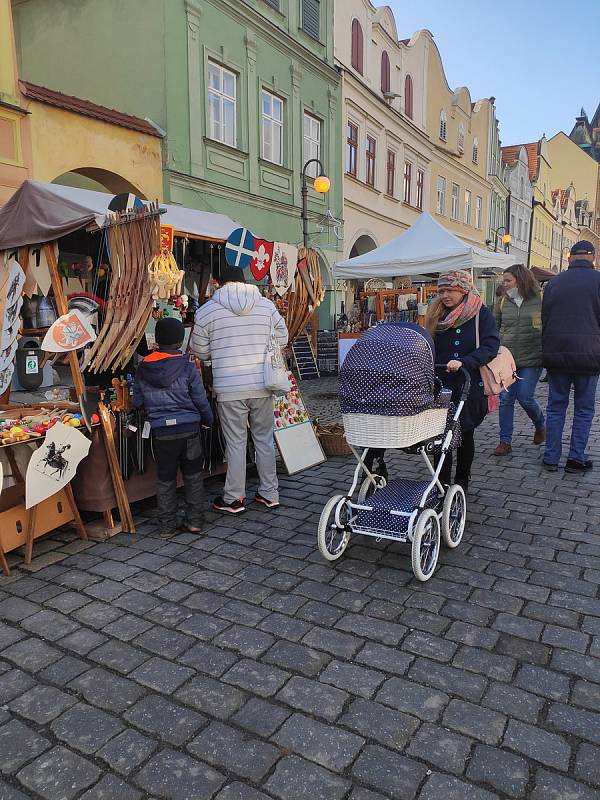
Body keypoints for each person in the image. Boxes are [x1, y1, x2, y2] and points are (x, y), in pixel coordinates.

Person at [191, 266, 288, 513]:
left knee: (236, 442)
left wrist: (218, 352)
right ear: (244, 281)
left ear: (217, 282)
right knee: (264, 439)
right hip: (262, 384)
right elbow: (283, 337)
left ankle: (234, 498)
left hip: (229, 385)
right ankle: (269, 493)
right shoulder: (266, 306)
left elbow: (199, 350)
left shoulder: (207, 311)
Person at [133, 317, 213, 537]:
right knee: (193, 476)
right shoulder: (187, 367)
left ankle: (167, 526)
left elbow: (137, 401)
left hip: (161, 434)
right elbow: (200, 399)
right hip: (189, 430)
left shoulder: (143, 368)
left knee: (165, 479)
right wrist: (208, 419)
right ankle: (195, 521)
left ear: (157, 340)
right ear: (180, 340)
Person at [425, 270, 500, 493]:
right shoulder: (435, 312)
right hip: (441, 381)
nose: (445, 295)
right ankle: (442, 481)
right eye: (441, 291)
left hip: (468, 382)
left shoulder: (480, 314)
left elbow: (490, 346)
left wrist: (466, 361)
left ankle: (462, 479)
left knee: (465, 433)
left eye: (450, 290)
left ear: (463, 289)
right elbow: (428, 342)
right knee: (440, 434)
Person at [541, 240, 600, 473]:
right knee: (584, 409)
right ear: (593, 258)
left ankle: (551, 458)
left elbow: (545, 319)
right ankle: (576, 458)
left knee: (556, 407)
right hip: (590, 355)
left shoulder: (554, 283)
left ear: (569, 258)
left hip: (557, 354)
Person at [493, 264, 545, 455]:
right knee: (506, 399)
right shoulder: (502, 302)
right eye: (504, 280)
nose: (504, 284)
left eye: (508, 280)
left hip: (532, 359)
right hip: (508, 360)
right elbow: (495, 328)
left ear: (521, 280)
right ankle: (504, 441)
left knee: (525, 397)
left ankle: (540, 424)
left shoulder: (540, 299)